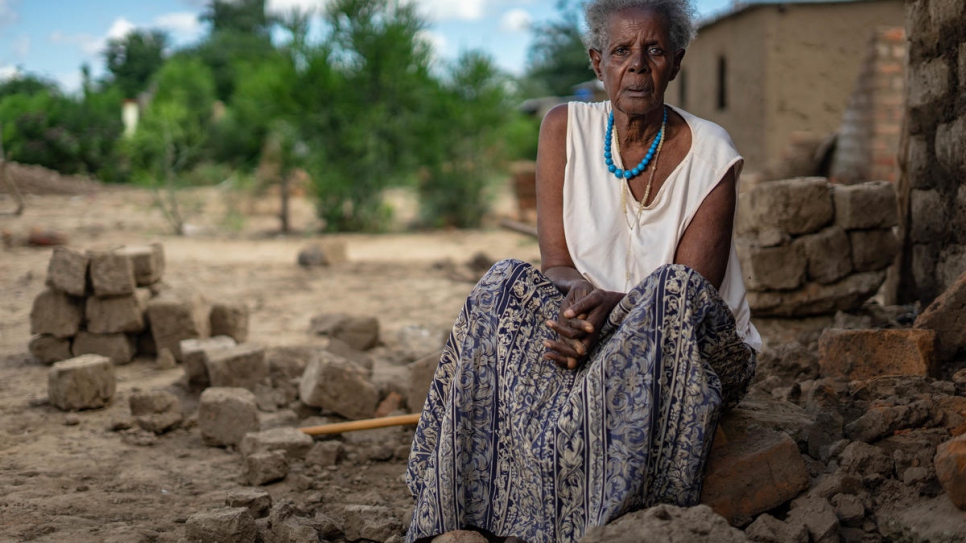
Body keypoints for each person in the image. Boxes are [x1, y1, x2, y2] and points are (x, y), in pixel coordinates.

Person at [404, 0, 760, 541]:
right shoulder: (562, 129)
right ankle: (461, 500)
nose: (637, 65)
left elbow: (693, 296)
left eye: (654, 50)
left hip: (690, 349)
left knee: (670, 291)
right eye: (622, 51)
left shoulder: (711, 153)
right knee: (504, 282)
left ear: (677, 63)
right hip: (591, 330)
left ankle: (609, 516)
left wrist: (608, 310)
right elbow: (556, 266)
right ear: (598, 63)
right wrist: (579, 308)